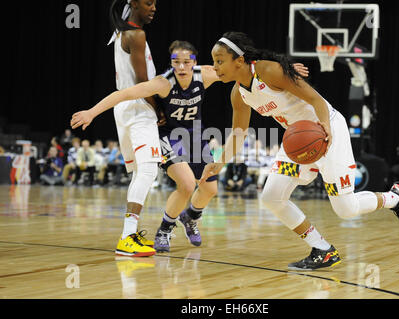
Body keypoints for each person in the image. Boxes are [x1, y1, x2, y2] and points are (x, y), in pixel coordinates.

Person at [199, 31, 399, 271]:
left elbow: (317, 101)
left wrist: (324, 126)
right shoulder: (238, 95)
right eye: (214, 62)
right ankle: (323, 249)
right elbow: (238, 133)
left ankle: (395, 198)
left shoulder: (268, 71)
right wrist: (220, 162)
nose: (215, 67)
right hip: (298, 140)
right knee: (272, 196)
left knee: (345, 209)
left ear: (239, 60)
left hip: (327, 129)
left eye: (220, 61)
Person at [71, 39, 310, 253]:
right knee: (186, 184)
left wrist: (282, 70)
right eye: (177, 62)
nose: (182, 67)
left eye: (187, 61)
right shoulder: (163, 83)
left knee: (210, 189)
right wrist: (91, 112)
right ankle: (164, 229)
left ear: (195, 62)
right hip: (168, 136)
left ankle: (190, 217)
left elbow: (245, 68)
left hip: (194, 136)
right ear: (172, 63)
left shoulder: (206, 74)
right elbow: (125, 93)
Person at [71, 0, 162, 257]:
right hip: (139, 105)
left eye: (155, 3)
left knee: (138, 173)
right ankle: (126, 237)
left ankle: (128, 234)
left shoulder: (122, 31)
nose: (153, 7)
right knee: (147, 171)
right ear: (133, 4)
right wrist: (160, 109)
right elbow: (144, 82)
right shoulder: (136, 34)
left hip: (123, 107)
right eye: (148, 3)